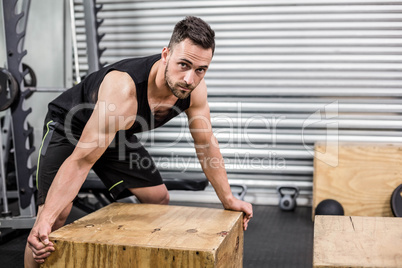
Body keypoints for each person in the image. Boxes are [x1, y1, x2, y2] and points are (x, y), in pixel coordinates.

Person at [25, 16, 253, 267]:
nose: (190, 79)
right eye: (183, 65)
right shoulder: (124, 90)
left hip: (115, 133)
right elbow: (81, 161)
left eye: (200, 69)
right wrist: (45, 219)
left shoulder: (194, 90)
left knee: (158, 199)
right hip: (70, 128)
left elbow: (206, 143)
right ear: (166, 54)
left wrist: (228, 198)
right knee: (52, 220)